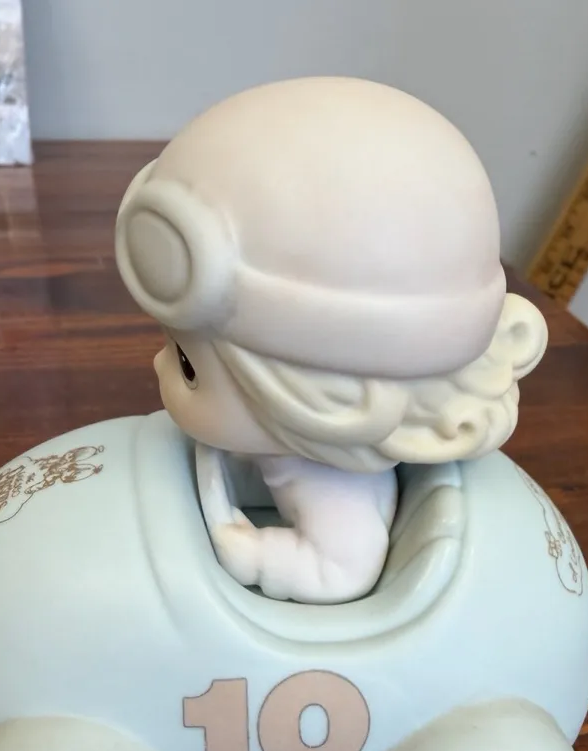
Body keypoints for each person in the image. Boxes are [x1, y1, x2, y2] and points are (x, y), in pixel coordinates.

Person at [115, 77, 548, 603]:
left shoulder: (331, 491)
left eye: (188, 365)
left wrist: (255, 555)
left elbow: (342, 569)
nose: (157, 365)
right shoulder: (288, 448)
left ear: (318, 401)